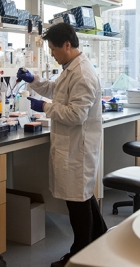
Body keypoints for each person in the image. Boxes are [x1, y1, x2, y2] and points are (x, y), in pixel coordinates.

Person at [17, 23, 107, 267]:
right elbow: (56, 89)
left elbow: (76, 115)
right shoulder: (71, 69)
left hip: (79, 149)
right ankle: (99, 241)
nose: (53, 54)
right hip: (73, 146)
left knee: (78, 204)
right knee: (83, 198)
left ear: (67, 45)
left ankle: (78, 257)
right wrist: (33, 80)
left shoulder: (83, 74)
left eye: (54, 49)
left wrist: (45, 108)